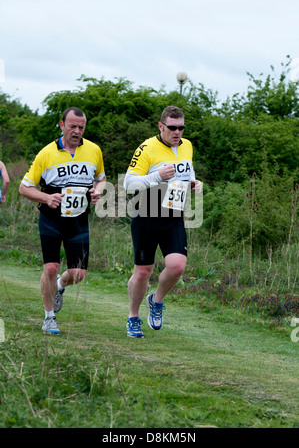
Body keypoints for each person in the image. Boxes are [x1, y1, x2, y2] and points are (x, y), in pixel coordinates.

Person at [19, 107, 106, 335]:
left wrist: (98, 191)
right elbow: (24, 188)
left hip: (78, 220)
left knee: (78, 274)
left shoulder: (94, 150)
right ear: (61, 125)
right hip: (51, 219)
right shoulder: (46, 153)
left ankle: (59, 286)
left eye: (81, 127)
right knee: (51, 267)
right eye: (72, 126)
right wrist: (47, 197)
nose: (77, 131)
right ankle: (49, 318)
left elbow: (101, 179)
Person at [123, 106, 202, 338]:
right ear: (161, 126)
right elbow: (128, 184)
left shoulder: (186, 145)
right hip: (145, 213)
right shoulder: (146, 148)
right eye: (172, 128)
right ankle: (133, 317)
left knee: (178, 266)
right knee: (143, 271)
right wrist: (157, 176)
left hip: (173, 214)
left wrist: (194, 182)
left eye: (181, 128)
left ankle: (156, 300)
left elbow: (188, 169)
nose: (177, 132)